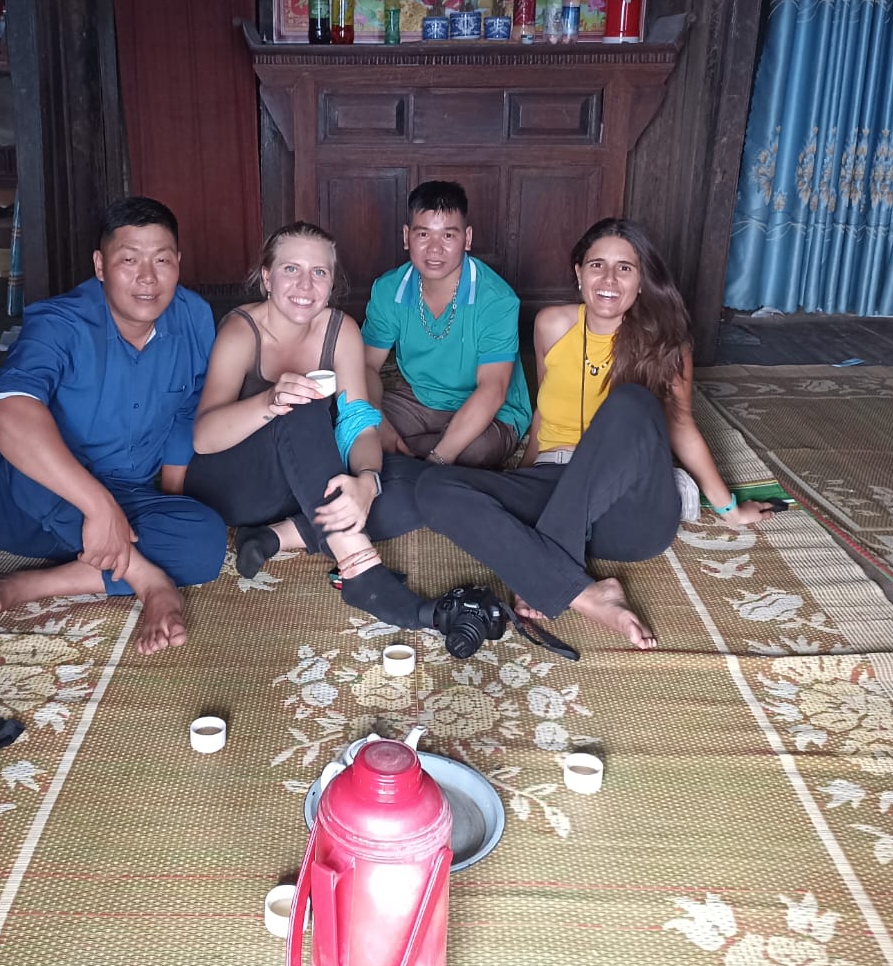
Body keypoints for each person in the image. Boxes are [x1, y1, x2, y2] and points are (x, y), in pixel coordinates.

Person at [416, 218, 774, 649]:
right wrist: (522, 480)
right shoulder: (552, 325)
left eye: (625, 268)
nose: (608, 279)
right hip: (554, 486)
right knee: (432, 486)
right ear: (579, 273)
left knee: (631, 403)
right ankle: (585, 593)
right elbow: (544, 413)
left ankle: (540, 570)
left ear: (641, 282)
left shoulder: (666, 345)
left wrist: (730, 509)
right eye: (597, 265)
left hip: (630, 515)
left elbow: (682, 426)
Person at [0, 197, 227, 655]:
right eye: (129, 260)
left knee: (205, 539)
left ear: (178, 263)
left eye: (162, 260)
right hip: (26, 508)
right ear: (101, 266)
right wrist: (98, 508)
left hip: (124, 500)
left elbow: (189, 408)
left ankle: (27, 585)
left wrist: (169, 501)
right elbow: (5, 411)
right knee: (16, 449)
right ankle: (148, 579)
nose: (148, 277)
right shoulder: (61, 321)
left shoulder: (193, 317)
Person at [185, 223, 431, 630]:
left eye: (319, 272)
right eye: (290, 269)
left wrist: (367, 481)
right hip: (238, 485)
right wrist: (270, 401)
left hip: (304, 481)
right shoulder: (241, 331)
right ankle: (362, 572)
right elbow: (203, 438)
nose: (305, 285)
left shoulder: (341, 329)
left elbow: (357, 421)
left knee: (419, 484)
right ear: (267, 277)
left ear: (332, 283)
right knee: (302, 407)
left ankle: (275, 536)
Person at [363, 181, 532, 469]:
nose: (434, 249)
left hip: (490, 411)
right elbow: (365, 366)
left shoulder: (496, 299)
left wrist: (439, 458)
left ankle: (407, 460)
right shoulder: (389, 288)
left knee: (477, 451)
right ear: (406, 237)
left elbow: (493, 388)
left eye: (448, 235)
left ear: (467, 238)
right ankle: (410, 455)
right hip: (419, 399)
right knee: (351, 421)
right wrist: (377, 421)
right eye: (423, 234)